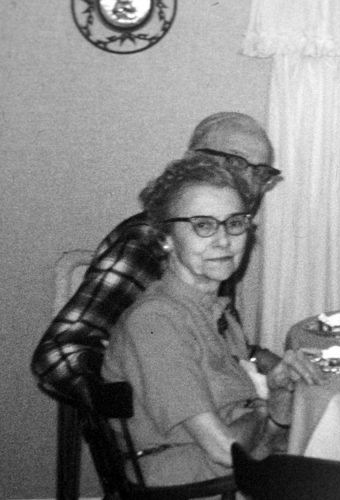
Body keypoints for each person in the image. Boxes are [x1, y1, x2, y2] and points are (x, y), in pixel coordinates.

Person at [101, 155, 324, 486]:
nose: (223, 240)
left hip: (230, 476)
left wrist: (277, 395)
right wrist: (263, 408)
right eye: (203, 225)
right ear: (165, 238)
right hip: (188, 486)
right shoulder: (155, 322)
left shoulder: (217, 314)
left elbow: (260, 438)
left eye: (234, 223)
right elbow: (226, 450)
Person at [31, 112, 282, 406]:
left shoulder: (222, 242)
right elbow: (58, 354)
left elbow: (208, 342)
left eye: (260, 174)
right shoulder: (147, 244)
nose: (249, 183)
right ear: (192, 163)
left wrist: (268, 362)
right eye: (236, 163)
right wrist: (151, 401)